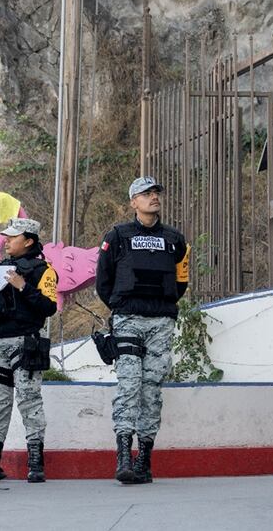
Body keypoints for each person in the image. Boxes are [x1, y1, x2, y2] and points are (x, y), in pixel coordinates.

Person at [95, 177, 189, 485]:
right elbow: (103, 280)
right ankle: (124, 457)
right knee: (129, 385)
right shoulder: (118, 236)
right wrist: (122, 306)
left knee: (151, 389)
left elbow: (181, 282)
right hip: (128, 319)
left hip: (161, 320)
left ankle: (144, 461)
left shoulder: (176, 239)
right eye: (145, 194)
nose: (153, 197)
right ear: (133, 202)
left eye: (156, 193)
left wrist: (161, 305)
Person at [0, 218, 57, 483]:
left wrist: (22, 287)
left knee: (29, 400)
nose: (6, 242)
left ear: (28, 241)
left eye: (12, 237)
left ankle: (36, 464)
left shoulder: (43, 269)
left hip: (26, 341)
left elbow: (49, 307)